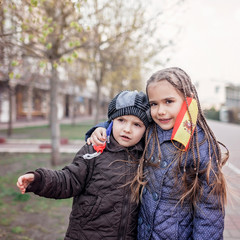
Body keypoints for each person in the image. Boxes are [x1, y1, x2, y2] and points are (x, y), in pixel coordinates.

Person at [86, 67, 229, 240]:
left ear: (187, 100)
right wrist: (103, 128)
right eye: (154, 104)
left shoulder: (200, 145)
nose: (160, 110)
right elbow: (126, 120)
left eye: (168, 101)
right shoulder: (150, 130)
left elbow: (209, 211)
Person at [16, 90, 152, 240]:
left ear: (146, 129)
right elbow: (69, 179)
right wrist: (40, 180)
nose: (127, 129)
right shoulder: (94, 150)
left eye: (137, 124)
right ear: (111, 121)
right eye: (121, 120)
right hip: (86, 234)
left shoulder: (146, 157)